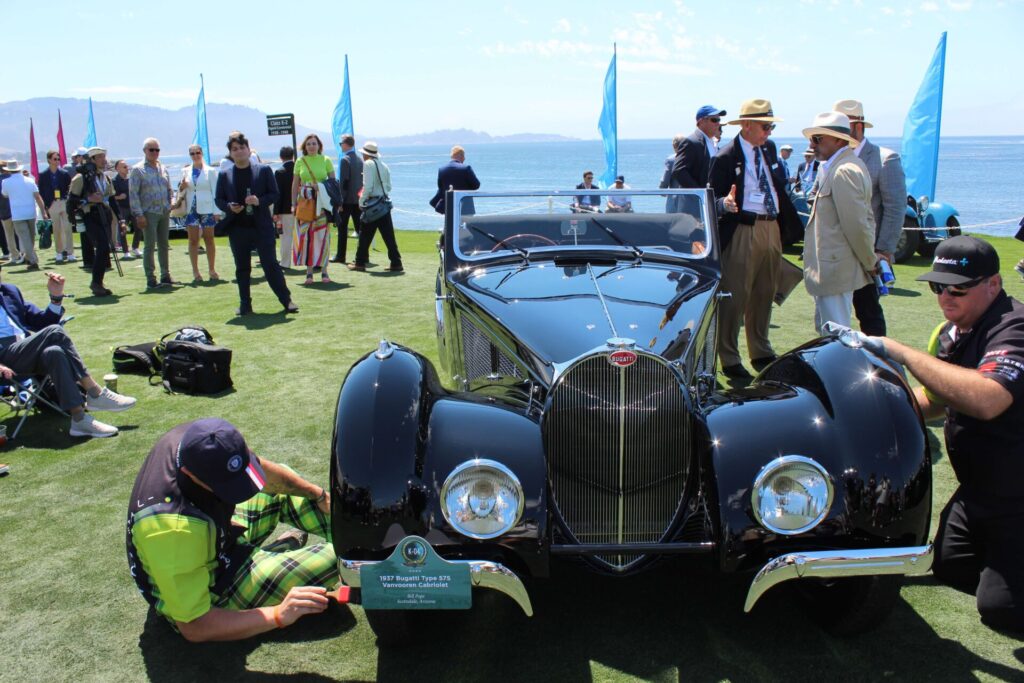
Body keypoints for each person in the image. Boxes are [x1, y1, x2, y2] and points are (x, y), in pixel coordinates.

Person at [876, 236, 1024, 632]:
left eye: (957, 289)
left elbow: (988, 398)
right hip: (980, 490)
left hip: (1017, 495)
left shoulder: (1015, 327)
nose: (945, 298)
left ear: (993, 284)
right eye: (937, 287)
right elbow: (941, 399)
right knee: (950, 567)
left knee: (1002, 610)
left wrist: (903, 353)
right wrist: (885, 420)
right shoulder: (954, 332)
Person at [126, 418, 337, 642]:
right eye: (229, 488)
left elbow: (270, 478)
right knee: (339, 558)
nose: (242, 493)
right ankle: (273, 562)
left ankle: (279, 557)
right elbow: (194, 625)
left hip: (219, 538)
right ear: (190, 473)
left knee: (285, 486)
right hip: (211, 588)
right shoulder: (172, 530)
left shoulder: (204, 439)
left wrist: (319, 494)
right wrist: (278, 615)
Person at [708, 98, 803, 382]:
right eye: (765, 126)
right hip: (742, 229)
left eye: (771, 126)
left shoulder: (769, 150)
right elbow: (710, 200)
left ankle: (760, 350)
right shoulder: (724, 157)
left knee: (765, 291)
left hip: (770, 226)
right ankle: (729, 356)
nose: (769, 132)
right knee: (735, 295)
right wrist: (725, 203)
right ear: (747, 125)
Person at [0, 268, 136, 437]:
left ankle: (79, 419)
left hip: (24, 352)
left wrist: (56, 298)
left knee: (54, 352)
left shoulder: (9, 291)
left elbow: (41, 323)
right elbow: (49, 329)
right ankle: (95, 393)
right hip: (3, 361)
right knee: (54, 332)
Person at [834, 99, 907, 337]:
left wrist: (883, 250)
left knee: (869, 314)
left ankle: (878, 366)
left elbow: (895, 208)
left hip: (868, 254)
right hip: (836, 253)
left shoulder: (885, 158)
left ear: (858, 125)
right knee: (835, 316)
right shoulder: (831, 158)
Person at [800, 112, 877, 332]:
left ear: (838, 140)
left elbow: (857, 225)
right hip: (833, 267)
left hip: (835, 267)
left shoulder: (844, 171)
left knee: (836, 336)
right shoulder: (842, 166)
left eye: (817, 139)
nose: (812, 144)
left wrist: (869, 261)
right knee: (829, 333)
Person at [214, 132, 298, 315]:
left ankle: (287, 300)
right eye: (234, 149)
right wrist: (229, 206)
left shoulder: (264, 170)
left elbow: (274, 194)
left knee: (270, 265)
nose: (239, 151)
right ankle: (245, 304)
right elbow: (219, 199)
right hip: (238, 228)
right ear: (230, 153)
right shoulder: (224, 174)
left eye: (242, 147)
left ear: (248, 149)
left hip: (261, 227)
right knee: (242, 268)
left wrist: (259, 201)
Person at [68, 148, 122, 297]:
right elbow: (71, 201)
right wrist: (87, 199)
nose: (104, 160)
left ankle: (98, 282)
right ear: (92, 160)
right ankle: (96, 282)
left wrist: (121, 219)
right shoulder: (80, 178)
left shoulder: (105, 178)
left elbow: (111, 199)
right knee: (103, 246)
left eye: (104, 157)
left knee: (105, 248)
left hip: (104, 214)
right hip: (90, 215)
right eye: (100, 157)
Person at [348, 142, 403, 273]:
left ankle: (360, 262)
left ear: (366, 154)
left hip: (372, 204)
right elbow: (388, 187)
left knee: (364, 235)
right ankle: (396, 262)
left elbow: (368, 186)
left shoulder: (368, 165)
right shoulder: (384, 166)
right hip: (383, 204)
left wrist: (361, 201)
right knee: (389, 236)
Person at [129, 137, 176, 289]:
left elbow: (169, 189)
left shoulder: (163, 168)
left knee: (164, 245)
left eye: (157, 150)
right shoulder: (138, 170)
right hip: (148, 212)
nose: (155, 153)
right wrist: (139, 214)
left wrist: (172, 201)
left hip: (164, 211)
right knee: (149, 246)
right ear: (144, 151)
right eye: (151, 150)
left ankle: (165, 275)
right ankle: (151, 278)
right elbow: (133, 194)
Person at [290, 134, 335, 285]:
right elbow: (295, 184)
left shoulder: (326, 160)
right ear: (304, 146)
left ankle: (324, 271)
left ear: (319, 145)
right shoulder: (300, 161)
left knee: (323, 237)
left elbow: (333, 183)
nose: (311, 146)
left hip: (322, 204)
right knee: (307, 237)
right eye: (308, 144)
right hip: (305, 204)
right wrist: (293, 204)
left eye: (314, 143)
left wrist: (320, 187)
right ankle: (309, 273)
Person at [175, 145, 220, 282]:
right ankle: (195, 271)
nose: (195, 155)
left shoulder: (210, 171)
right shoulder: (185, 171)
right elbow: (181, 190)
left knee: (209, 239)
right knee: (193, 240)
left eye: (197, 153)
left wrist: (217, 211)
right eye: (192, 153)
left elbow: (215, 191)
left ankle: (211, 269)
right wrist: (181, 187)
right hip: (191, 209)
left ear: (202, 153)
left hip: (207, 208)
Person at [0, 161, 46, 270]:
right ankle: (30, 259)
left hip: (17, 214)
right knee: (30, 238)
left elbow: (5, 195)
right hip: (31, 212)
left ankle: (33, 261)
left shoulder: (6, 182)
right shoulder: (30, 180)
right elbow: (38, 197)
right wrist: (43, 211)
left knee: (25, 239)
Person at [671, 105, 726, 189]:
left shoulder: (713, 143)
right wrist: (700, 193)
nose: (718, 124)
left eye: (719, 120)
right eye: (714, 120)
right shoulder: (691, 142)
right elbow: (679, 171)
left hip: (713, 198)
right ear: (701, 121)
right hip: (699, 200)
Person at [37, 150, 74, 263]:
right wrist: (47, 206)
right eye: (55, 159)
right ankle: (59, 252)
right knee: (56, 229)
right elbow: (41, 191)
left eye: (58, 159)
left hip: (63, 202)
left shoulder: (64, 173)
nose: (57, 161)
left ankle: (70, 253)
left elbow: (70, 188)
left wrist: (67, 200)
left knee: (68, 228)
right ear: (49, 160)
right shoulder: (43, 175)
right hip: (52, 204)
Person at [333, 135, 362, 263]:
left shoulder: (345, 159)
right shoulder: (360, 159)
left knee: (342, 228)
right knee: (360, 229)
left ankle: (341, 255)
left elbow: (343, 182)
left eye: (341, 144)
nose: (340, 146)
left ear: (345, 144)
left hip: (346, 201)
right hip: (358, 200)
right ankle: (362, 255)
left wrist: (340, 201)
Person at [429, 145, 481, 215]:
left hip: (449, 206)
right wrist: (466, 188)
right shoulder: (466, 168)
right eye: (464, 156)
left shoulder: (442, 169)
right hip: (465, 205)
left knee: (450, 225)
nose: (464, 158)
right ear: (461, 156)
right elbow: (476, 185)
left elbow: (441, 188)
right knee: (465, 225)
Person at [112, 160, 142, 259]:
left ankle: (135, 247)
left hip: (133, 207)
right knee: (123, 230)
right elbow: (110, 196)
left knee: (138, 227)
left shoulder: (131, 179)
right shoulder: (114, 181)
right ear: (117, 169)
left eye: (127, 166)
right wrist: (119, 197)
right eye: (124, 167)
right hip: (121, 208)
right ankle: (125, 251)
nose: (127, 168)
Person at [273, 145, 295, 269]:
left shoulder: (279, 172)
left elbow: (278, 194)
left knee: (285, 236)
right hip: (300, 208)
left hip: (284, 210)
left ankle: (285, 262)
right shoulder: (298, 169)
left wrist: (275, 212)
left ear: (281, 157)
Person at [0, 162, 15, 262]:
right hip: (15, 209)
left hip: (3, 210)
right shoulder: (13, 178)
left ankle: (7, 252)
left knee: (4, 233)